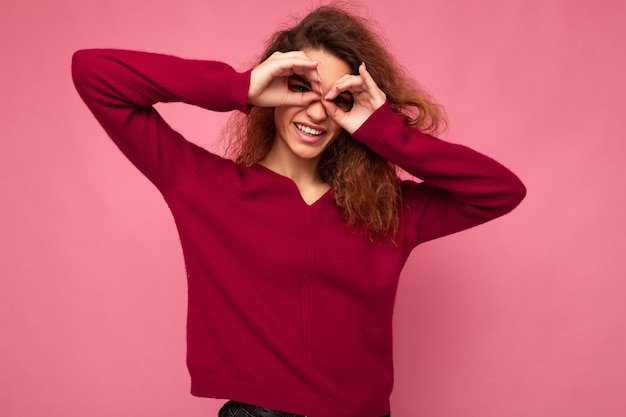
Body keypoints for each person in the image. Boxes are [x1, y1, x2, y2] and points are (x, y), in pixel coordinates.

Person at [72, 5, 525, 417]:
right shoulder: (205, 188)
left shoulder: (390, 212)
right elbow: (94, 72)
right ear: (275, 86)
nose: (317, 110)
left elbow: (500, 190)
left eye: (338, 99)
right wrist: (239, 86)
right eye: (301, 87)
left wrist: (382, 129)